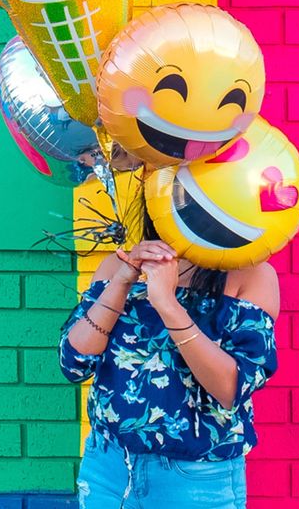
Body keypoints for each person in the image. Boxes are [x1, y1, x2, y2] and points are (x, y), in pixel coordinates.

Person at [57, 204, 280, 508]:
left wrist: (166, 302)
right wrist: (122, 282)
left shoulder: (250, 275)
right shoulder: (117, 268)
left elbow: (231, 389)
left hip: (197, 477)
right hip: (108, 468)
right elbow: (73, 364)